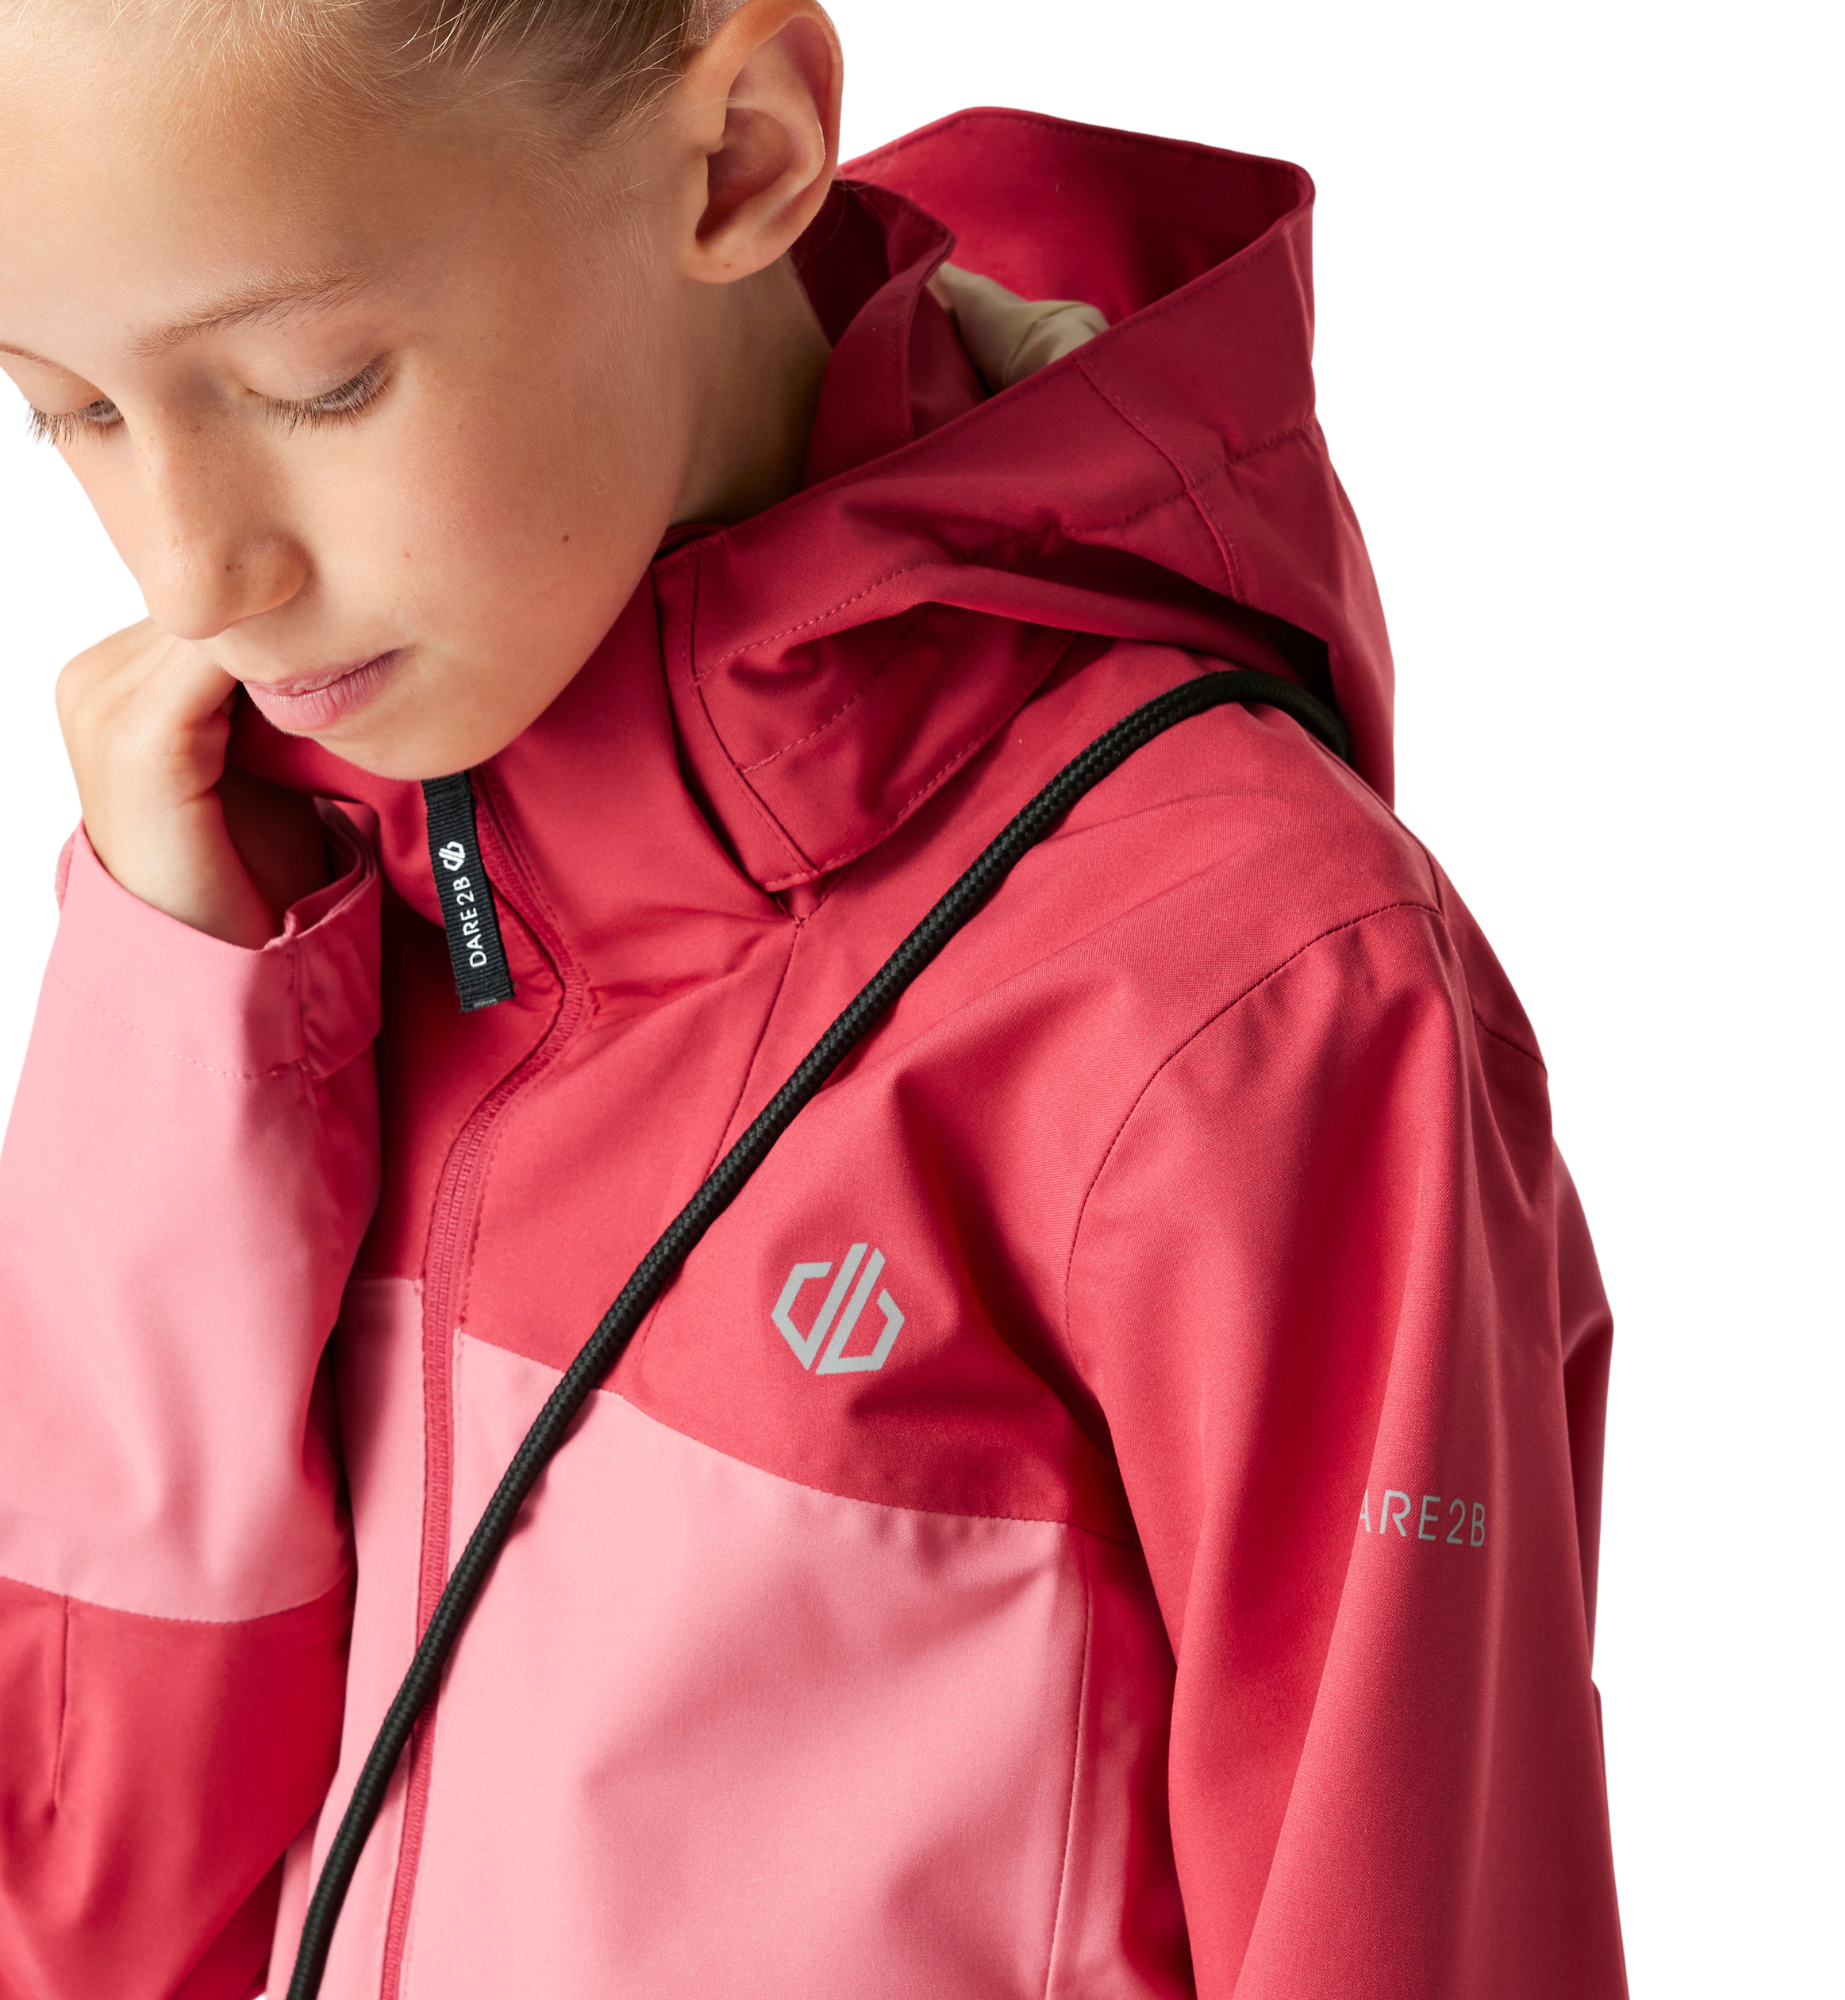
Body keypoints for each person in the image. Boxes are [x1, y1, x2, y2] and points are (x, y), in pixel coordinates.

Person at [0, 2, 1626, 1995]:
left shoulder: (1232, 990)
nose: (194, 578)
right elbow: (91, 1916)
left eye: (312, 383)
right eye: (68, 412)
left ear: (740, 158)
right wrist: (181, 1043)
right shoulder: (262, 895)